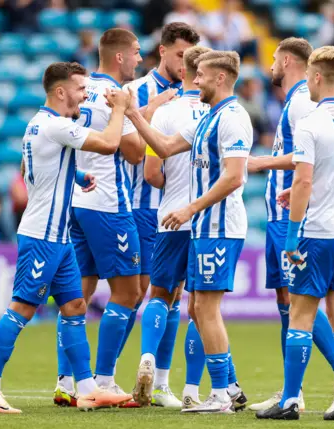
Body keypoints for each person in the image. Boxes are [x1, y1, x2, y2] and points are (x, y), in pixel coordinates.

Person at [0, 61, 134, 413]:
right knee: (23, 308)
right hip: (42, 235)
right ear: (61, 92)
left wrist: (74, 177)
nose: (84, 95)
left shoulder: (38, 125)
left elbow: (30, 168)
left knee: (75, 307)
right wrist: (121, 108)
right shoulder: (57, 124)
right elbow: (109, 144)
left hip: (59, 238)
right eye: (80, 89)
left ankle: (88, 388)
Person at [123, 50, 252, 414]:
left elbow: (234, 176)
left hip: (216, 225)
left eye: (203, 76)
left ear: (221, 78)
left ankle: (222, 393)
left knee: (203, 308)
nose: (195, 80)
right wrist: (134, 114)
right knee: (197, 307)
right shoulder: (209, 118)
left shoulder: (233, 118)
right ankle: (227, 386)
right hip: (201, 228)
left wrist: (190, 208)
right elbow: (162, 147)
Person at [246, 38, 334, 415]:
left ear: (314, 76)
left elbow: (305, 179)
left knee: (299, 312)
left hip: (319, 229)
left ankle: (292, 398)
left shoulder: (310, 117)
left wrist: (294, 232)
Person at [53, 28, 148, 407]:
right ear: (120, 57)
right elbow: (136, 153)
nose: (140, 60)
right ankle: (104, 382)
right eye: (137, 52)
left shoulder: (80, 88)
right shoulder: (116, 95)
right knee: (129, 292)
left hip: (77, 200)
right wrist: (133, 112)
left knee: (79, 294)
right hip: (109, 203)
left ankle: (66, 381)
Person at [119, 22, 200, 366]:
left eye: (190, 57)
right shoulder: (136, 90)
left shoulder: (198, 93)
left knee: (173, 294)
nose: (186, 63)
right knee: (137, 294)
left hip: (179, 210)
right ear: (163, 50)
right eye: (180, 55)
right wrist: (151, 109)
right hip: (142, 206)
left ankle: (159, 378)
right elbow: (134, 155)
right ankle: (104, 375)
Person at [135, 45, 211, 409]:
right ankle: (188, 389)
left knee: (159, 295)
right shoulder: (221, 112)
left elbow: (151, 173)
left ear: (184, 72)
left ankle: (147, 357)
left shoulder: (165, 112)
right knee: (199, 306)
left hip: (169, 216)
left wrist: (175, 182)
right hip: (208, 221)